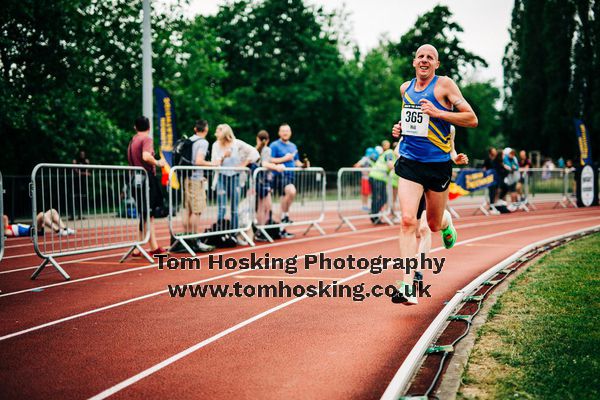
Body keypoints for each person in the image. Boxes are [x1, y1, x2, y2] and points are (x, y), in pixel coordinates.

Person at [391, 44, 478, 305]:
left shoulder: (445, 86)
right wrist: (399, 129)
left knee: (432, 224)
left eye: (430, 57)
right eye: (420, 56)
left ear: (437, 64)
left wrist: (439, 112)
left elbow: (472, 119)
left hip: (438, 165)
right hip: (409, 161)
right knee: (407, 221)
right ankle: (407, 287)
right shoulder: (405, 89)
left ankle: (446, 221)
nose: (424, 60)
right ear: (414, 62)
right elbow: (412, 122)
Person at [409, 125, 469, 284]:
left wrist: (456, 158)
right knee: (414, 228)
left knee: (424, 228)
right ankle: (446, 221)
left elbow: (451, 151)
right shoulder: (415, 118)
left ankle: (418, 273)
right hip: (415, 176)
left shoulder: (449, 127)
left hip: (437, 176)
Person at [127, 116, 167, 256]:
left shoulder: (133, 140)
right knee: (148, 213)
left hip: (135, 178)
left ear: (135, 127)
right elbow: (145, 156)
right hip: (146, 178)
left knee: (144, 213)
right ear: (149, 127)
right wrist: (158, 162)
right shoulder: (147, 139)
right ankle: (154, 247)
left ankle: (138, 247)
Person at [211, 124, 259, 232]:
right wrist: (223, 156)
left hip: (235, 177)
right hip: (221, 177)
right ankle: (220, 232)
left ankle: (234, 232)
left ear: (225, 134)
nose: (215, 134)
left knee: (234, 208)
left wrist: (244, 164)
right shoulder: (215, 145)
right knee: (222, 207)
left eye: (218, 131)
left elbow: (255, 153)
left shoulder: (237, 144)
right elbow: (215, 163)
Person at [180, 119, 216, 253]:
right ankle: (194, 239)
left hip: (186, 177)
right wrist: (212, 164)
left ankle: (187, 237)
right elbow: (198, 161)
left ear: (195, 129)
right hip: (196, 179)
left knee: (188, 209)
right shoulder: (203, 142)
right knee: (197, 210)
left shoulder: (189, 140)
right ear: (206, 130)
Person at [269, 123, 308, 238]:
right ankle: (285, 216)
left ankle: (282, 226)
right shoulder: (274, 145)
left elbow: (296, 162)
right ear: (279, 133)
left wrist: (304, 165)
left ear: (290, 133)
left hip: (291, 176)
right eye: (283, 131)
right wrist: (284, 159)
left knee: (285, 198)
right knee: (291, 191)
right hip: (279, 176)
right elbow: (269, 159)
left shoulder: (293, 146)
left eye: (287, 131)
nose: (285, 133)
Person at [254, 130, 285, 242]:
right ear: (267, 140)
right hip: (263, 181)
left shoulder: (255, 149)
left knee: (264, 206)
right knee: (265, 207)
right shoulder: (267, 149)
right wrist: (276, 167)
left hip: (259, 180)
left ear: (257, 139)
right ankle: (260, 230)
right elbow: (264, 163)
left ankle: (260, 229)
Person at [368, 144, 396, 224]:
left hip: (375, 176)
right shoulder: (390, 153)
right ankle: (374, 213)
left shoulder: (388, 153)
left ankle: (374, 216)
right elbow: (390, 165)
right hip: (378, 177)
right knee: (383, 198)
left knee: (376, 197)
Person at [4, 209, 75, 237]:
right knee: (41, 214)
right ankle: (58, 231)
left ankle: (65, 229)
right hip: (32, 231)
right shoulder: (6, 231)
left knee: (52, 211)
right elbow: (5, 217)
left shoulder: (7, 227)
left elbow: (4, 218)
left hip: (33, 228)